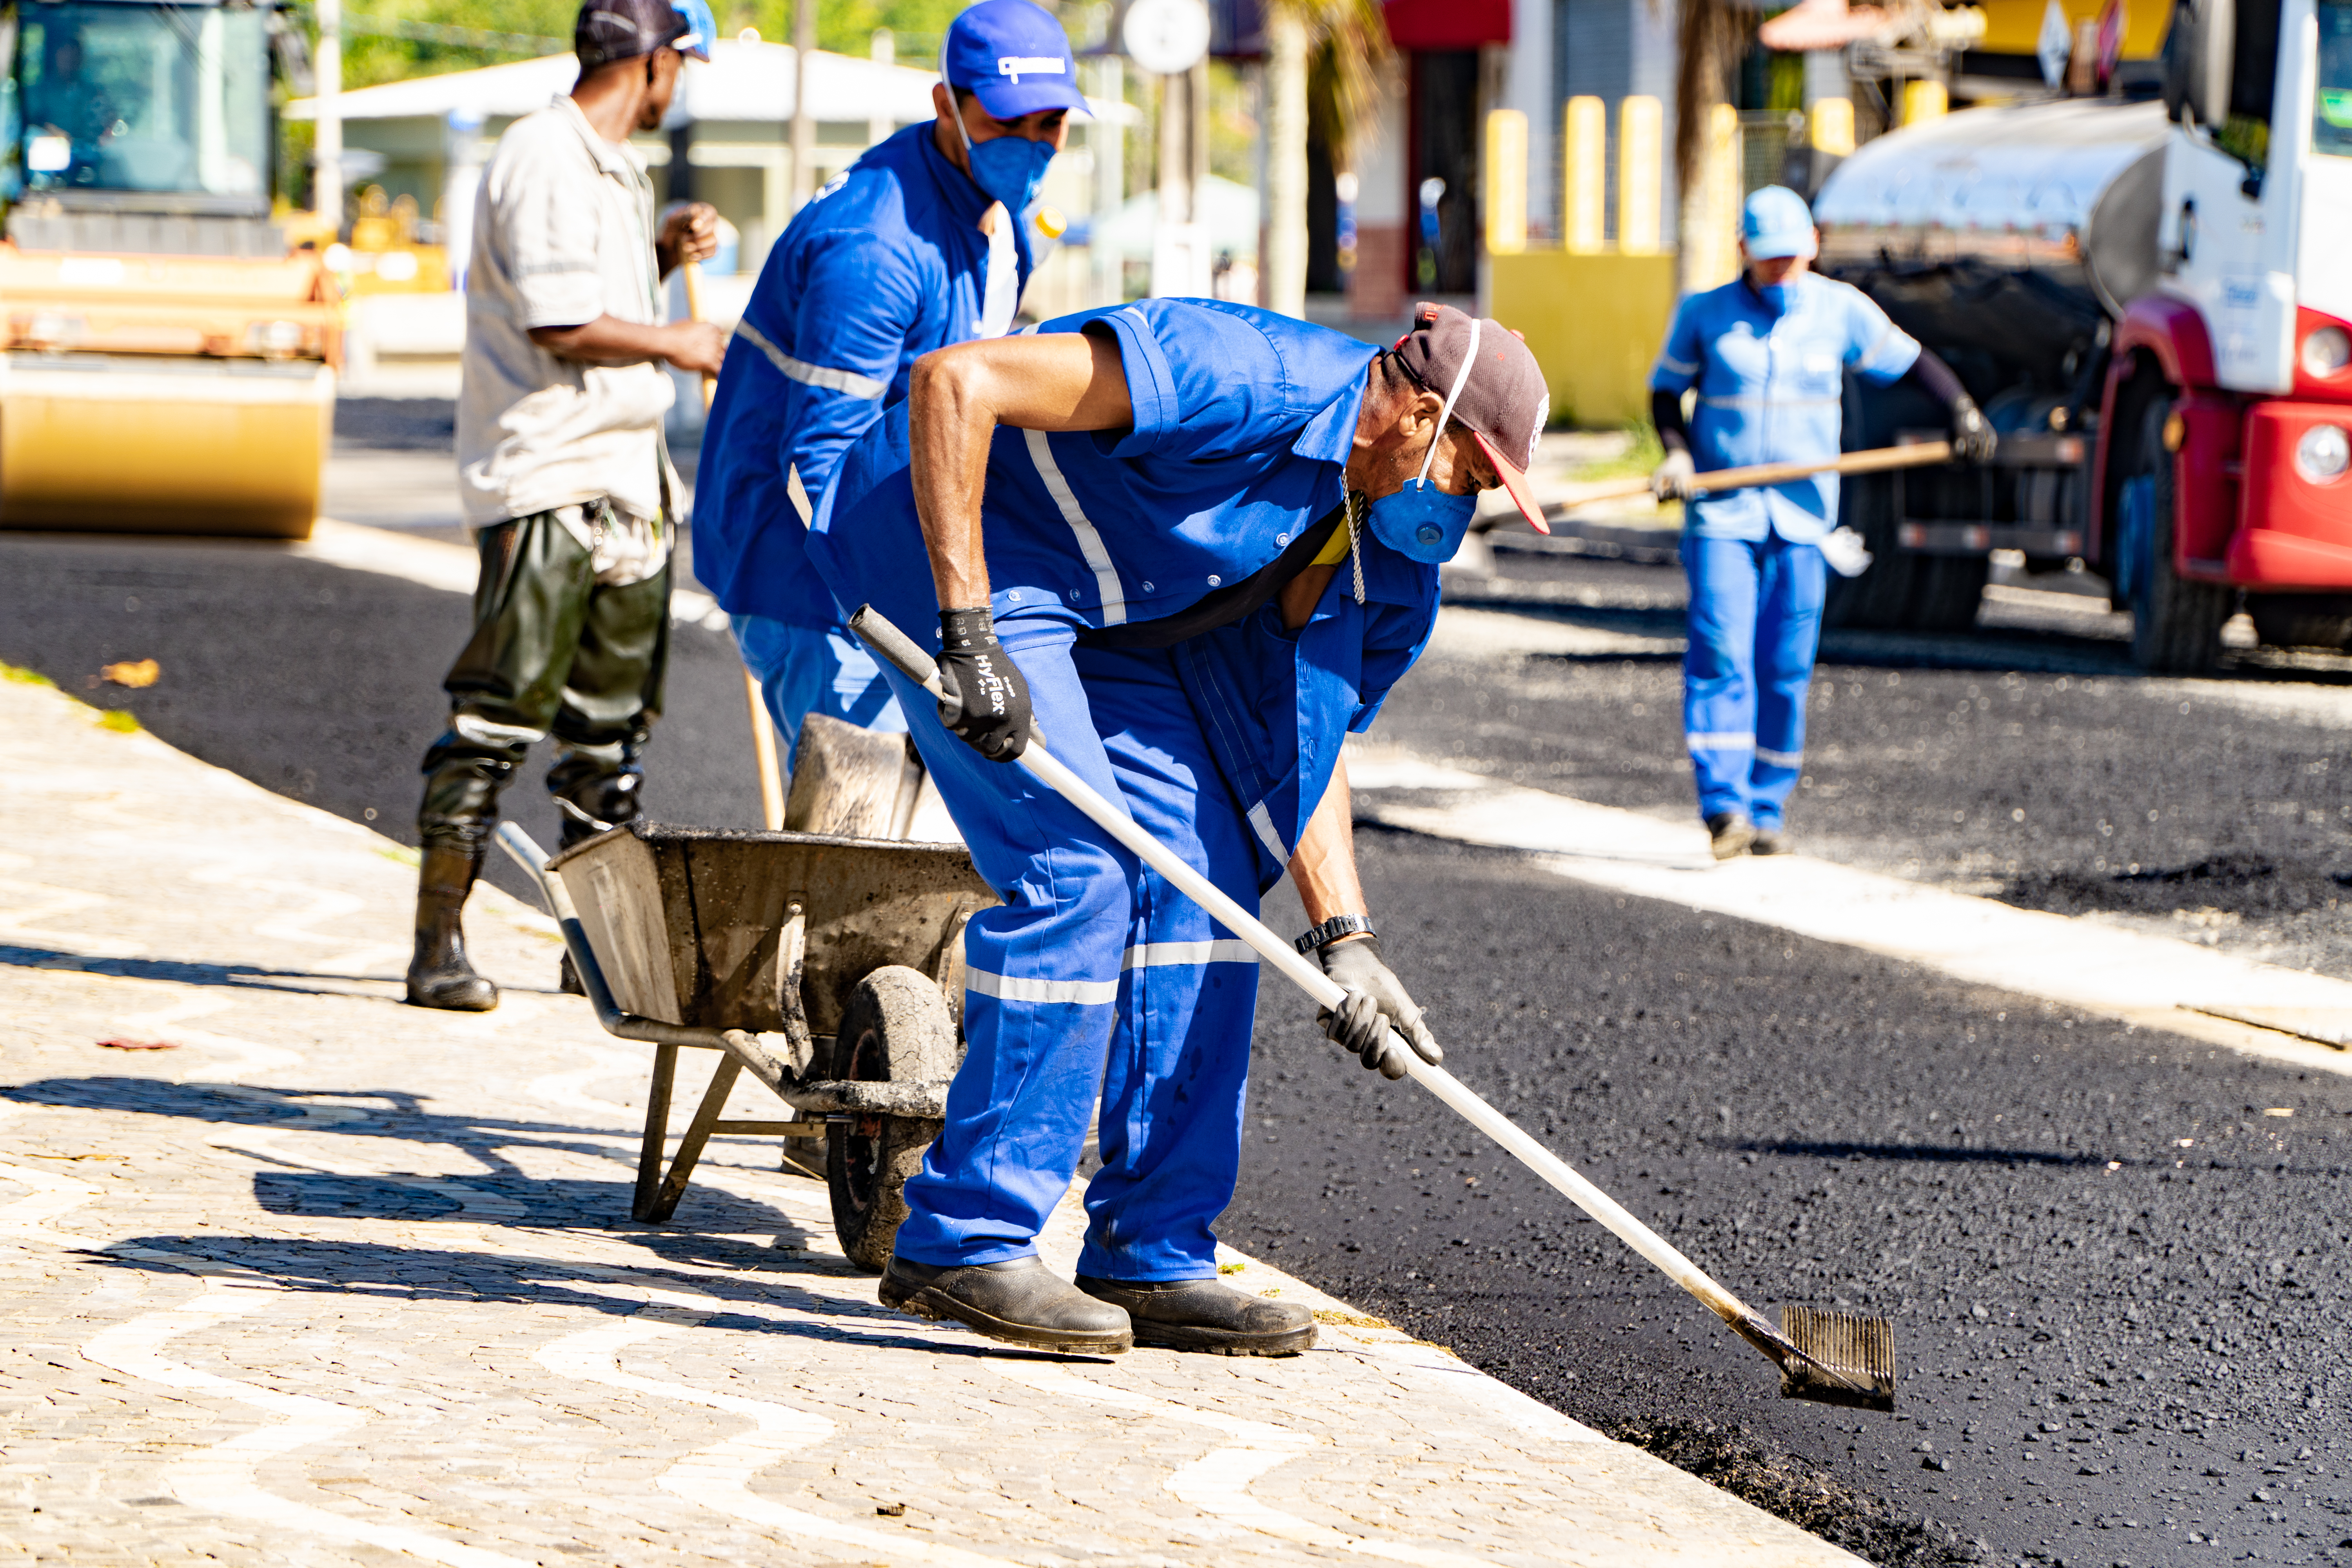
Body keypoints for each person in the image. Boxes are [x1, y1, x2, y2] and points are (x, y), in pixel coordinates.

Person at [809, 300, 1553, 1356]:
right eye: (1471, 479)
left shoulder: (1390, 567)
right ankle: (965, 1236)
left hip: (1119, 627)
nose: (1461, 517)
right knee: (1083, 869)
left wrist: (1348, 937)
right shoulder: (1247, 375)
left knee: (1204, 889)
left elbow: (1309, 740)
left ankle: (1151, 1253)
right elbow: (952, 381)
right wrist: (969, 633)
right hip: (963, 551)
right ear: (1421, 416)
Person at [406, 0, 727, 1012]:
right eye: (685, 61)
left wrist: (662, 253)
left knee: (607, 735)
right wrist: (678, 341)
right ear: (656, 59)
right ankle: (437, 947)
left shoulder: (608, 164)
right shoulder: (544, 153)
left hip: (626, 481)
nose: (684, 82)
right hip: (549, 476)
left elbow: (595, 289)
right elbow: (558, 320)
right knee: (497, 717)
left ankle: (588, 952)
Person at [692, 0, 1081, 772]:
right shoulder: (873, 249)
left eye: (1052, 124)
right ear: (948, 105)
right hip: (811, 576)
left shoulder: (998, 213)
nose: (1034, 145)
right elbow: (818, 473)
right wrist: (943, 614)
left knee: (926, 824)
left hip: (887, 543)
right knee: (861, 829)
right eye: (1010, 123)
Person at [1649, 185, 1994, 860]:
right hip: (1724, 513)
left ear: (1813, 248)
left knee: (1785, 664)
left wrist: (1964, 413)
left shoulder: (1841, 311)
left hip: (1806, 519)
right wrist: (1678, 452)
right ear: (1743, 251)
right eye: (1766, 257)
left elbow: (1912, 362)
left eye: (1791, 256)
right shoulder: (1705, 314)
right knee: (1721, 652)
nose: (1780, 269)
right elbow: (1666, 390)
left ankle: (1768, 804)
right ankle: (1724, 806)